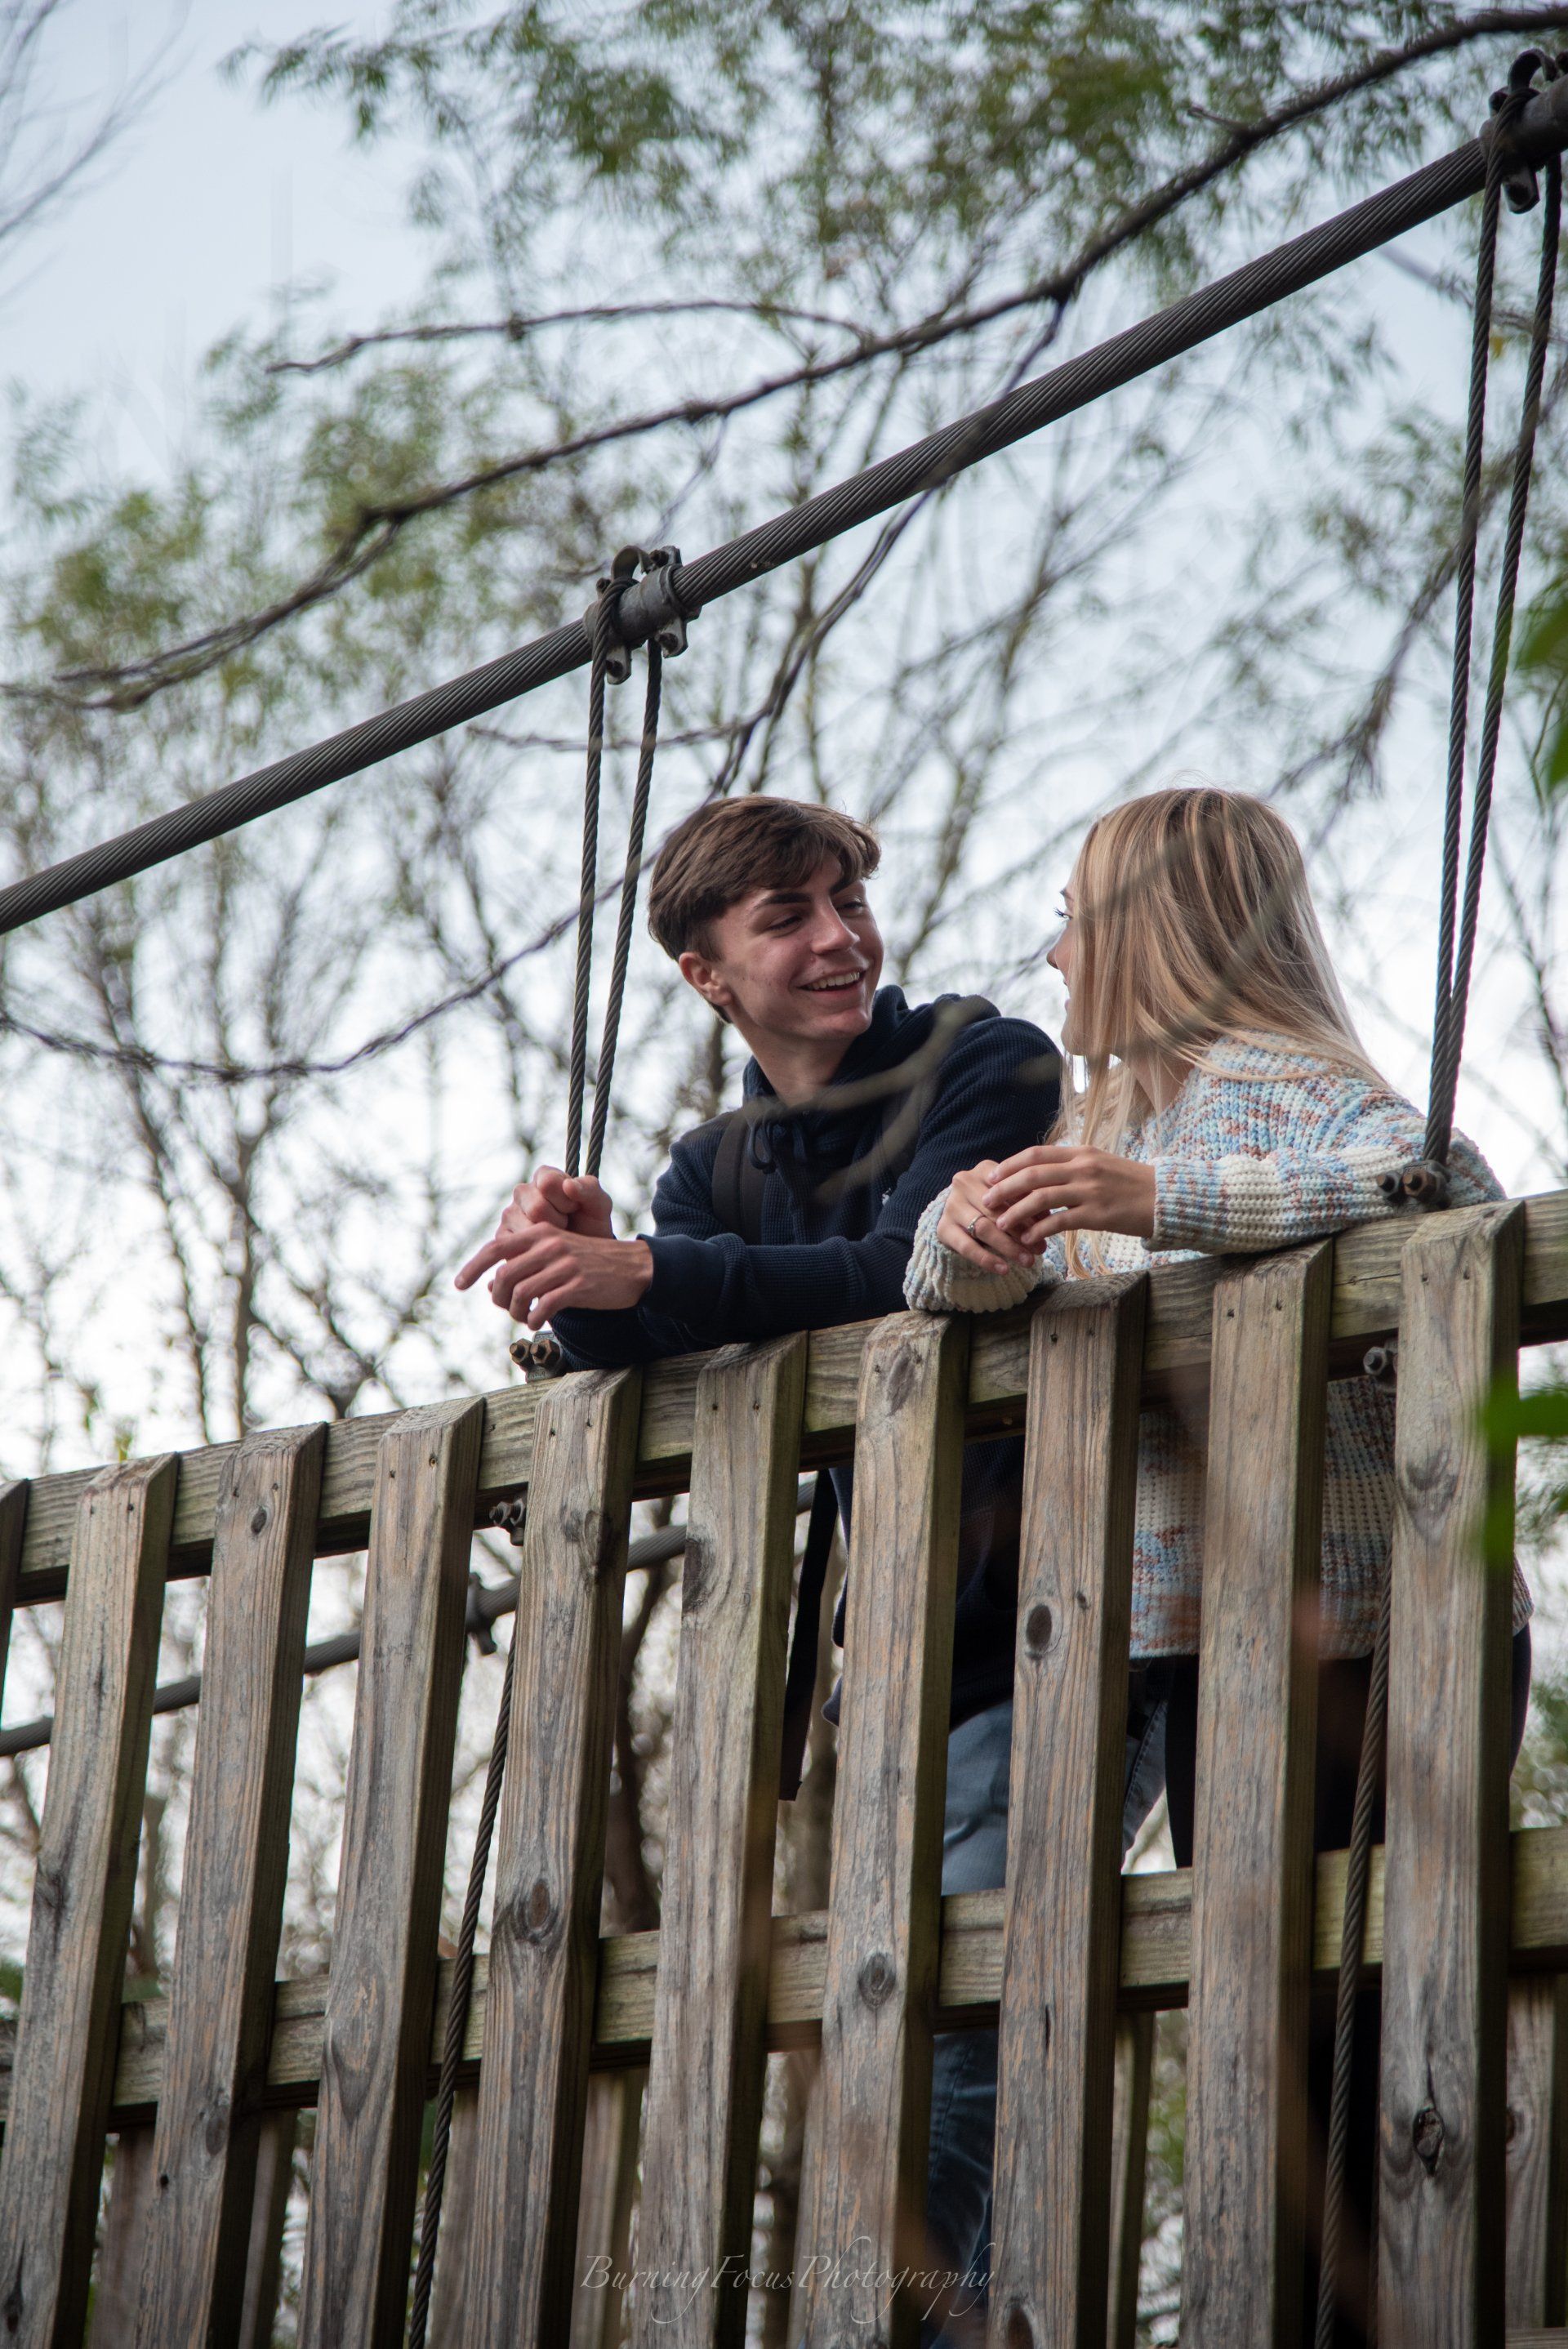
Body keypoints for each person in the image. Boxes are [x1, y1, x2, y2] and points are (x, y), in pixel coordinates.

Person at [455, 794, 1169, 2345]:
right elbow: (657, 1328)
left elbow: (904, 1275)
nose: (841, 937)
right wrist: (578, 1275)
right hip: (937, 1643)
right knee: (932, 2020)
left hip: (1110, 1593)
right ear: (709, 975)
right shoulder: (715, 1170)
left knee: (1007, 2024)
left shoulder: (989, 1060)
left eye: (846, 898)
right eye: (788, 917)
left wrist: (650, 1277)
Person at [902, 782, 1534, 2347]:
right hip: (1192, 1639)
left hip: (1377, 1631)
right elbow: (932, 1285)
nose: (1049, 955)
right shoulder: (1089, 1124)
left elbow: (1440, 1192)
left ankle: (1379, 2313)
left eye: (1069, 915)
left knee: (1371, 2006)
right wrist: (969, 1248)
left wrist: (1169, 1202)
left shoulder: (1306, 1094)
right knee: (1255, 2003)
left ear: (1149, 933)